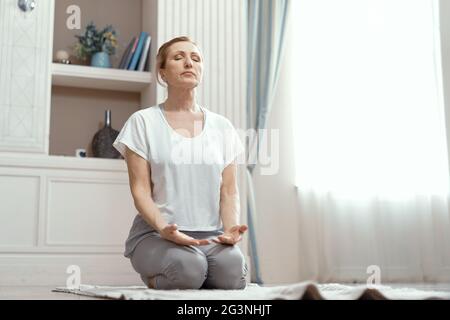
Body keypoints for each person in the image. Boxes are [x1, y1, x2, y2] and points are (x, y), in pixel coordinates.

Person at [112, 36, 249, 290]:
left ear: (201, 70)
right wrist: (164, 229)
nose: (188, 62)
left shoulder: (222, 126)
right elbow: (140, 191)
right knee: (188, 271)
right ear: (162, 73)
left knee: (233, 275)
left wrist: (230, 229)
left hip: (209, 236)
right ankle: (156, 277)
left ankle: (201, 271)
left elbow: (229, 191)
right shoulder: (142, 122)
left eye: (195, 58)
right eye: (178, 57)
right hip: (156, 234)